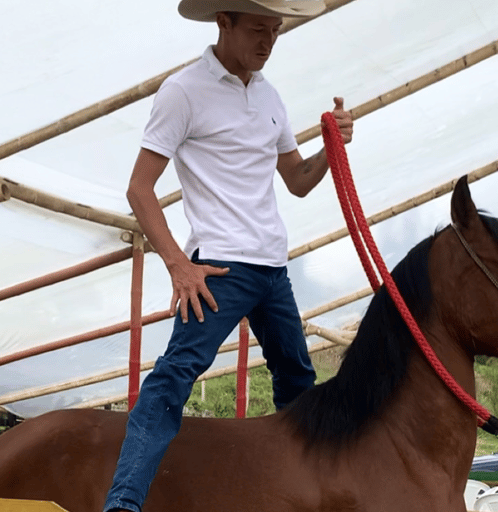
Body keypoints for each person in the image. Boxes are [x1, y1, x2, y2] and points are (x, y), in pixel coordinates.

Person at [104, 1, 353, 510]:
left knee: (298, 382)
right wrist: (177, 263)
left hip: (272, 267)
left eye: (276, 32)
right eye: (258, 29)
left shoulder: (271, 97)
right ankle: (123, 504)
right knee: (173, 378)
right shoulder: (183, 91)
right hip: (219, 265)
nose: (268, 42)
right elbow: (139, 188)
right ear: (224, 22)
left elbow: (298, 181)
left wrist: (332, 144)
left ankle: (308, 494)